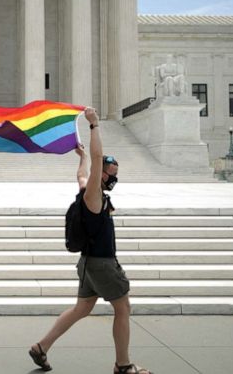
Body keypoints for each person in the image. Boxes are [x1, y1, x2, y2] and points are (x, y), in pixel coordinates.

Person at [29, 107, 152, 374]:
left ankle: (41, 347)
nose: (114, 178)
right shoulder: (94, 196)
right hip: (102, 263)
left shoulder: (87, 192)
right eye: (111, 173)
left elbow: (81, 175)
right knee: (123, 307)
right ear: (102, 174)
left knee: (82, 308)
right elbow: (97, 162)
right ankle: (123, 365)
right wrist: (94, 125)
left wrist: (81, 157)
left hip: (88, 263)